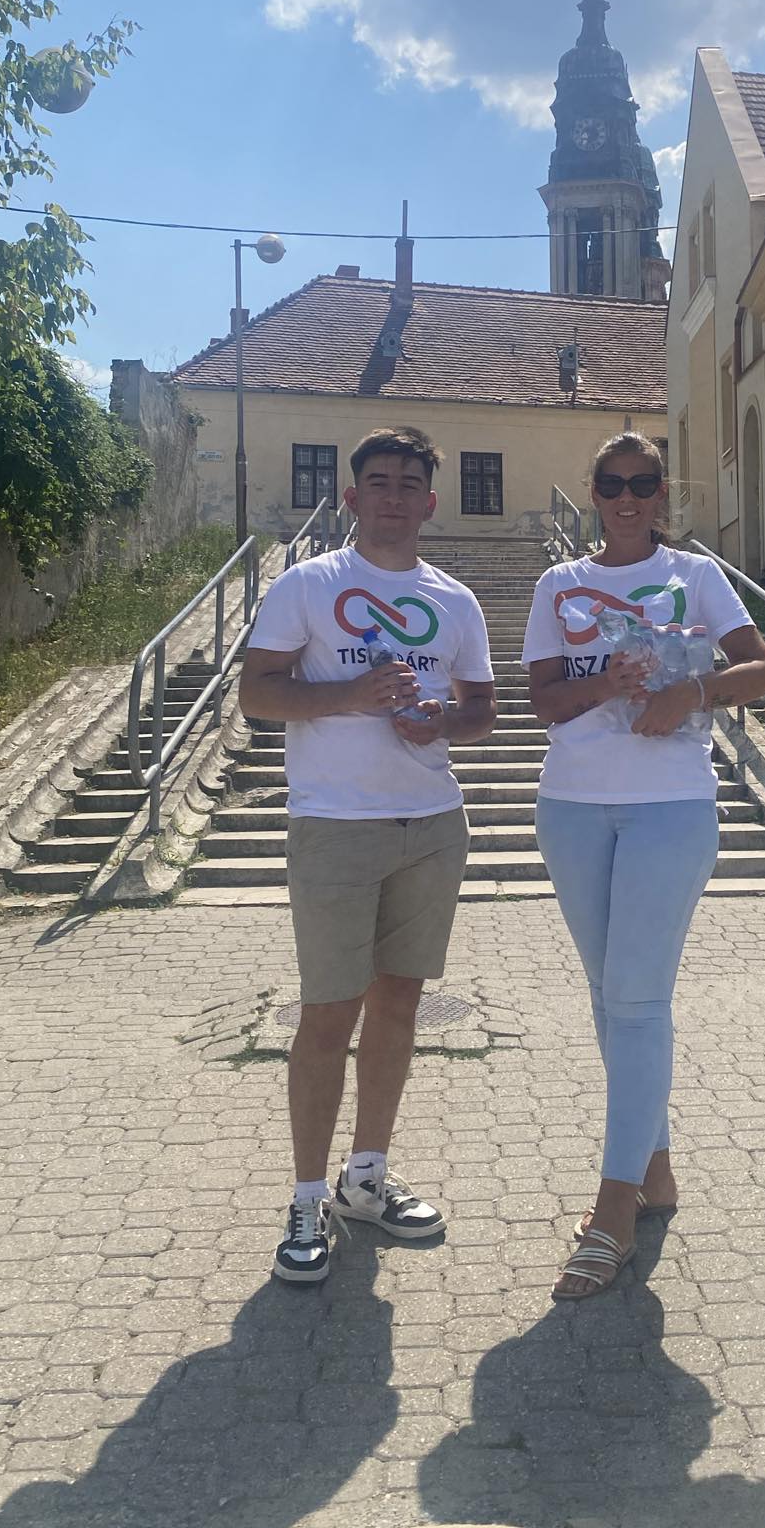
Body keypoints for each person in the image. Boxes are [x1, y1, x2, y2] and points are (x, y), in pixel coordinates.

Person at [521, 432, 765, 1300]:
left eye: (643, 483)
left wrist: (690, 693)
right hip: (571, 806)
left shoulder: (696, 576)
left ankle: (613, 1212)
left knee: (635, 1001)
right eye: (611, 483)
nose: (627, 498)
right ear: (593, 493)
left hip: (671, 806)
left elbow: (763, 669)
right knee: (610, 999)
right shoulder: (558, 585)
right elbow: (544, 702)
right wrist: (608, 683)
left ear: (663, 493)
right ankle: (655, 1170)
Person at [240, 426, 496, 1286]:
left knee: (399, 1007)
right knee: (327, 1014)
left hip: (432, 821)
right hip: (335, 825)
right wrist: (350, 694)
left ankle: (367, 1178)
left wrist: (443, 721)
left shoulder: (454, 600)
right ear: (351, 498)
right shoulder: (309, 584)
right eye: (378, 482)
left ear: (430, 502)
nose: (393, 496)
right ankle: (307, 1197)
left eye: (408, 484)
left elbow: (483, 709)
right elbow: (255, 693)